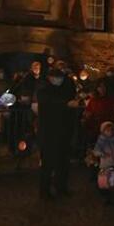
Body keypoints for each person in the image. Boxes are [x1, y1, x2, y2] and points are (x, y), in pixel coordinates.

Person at [36, 68, 79, 199]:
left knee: (63, 161)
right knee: (48, 163)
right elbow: (49, 103)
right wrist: (66, 104)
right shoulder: (44, 90)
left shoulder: (63, 88)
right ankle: (45, 191)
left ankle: (61, 187)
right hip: (48, 132)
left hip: (63, 131)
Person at [93, 121, 114, 205]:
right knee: (106, 183)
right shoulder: (101, 141)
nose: (109, 132)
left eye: (111, 130)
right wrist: (103, 154)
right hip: (106, 164)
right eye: (107, 130)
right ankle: (109, 199)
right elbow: (96, 151)